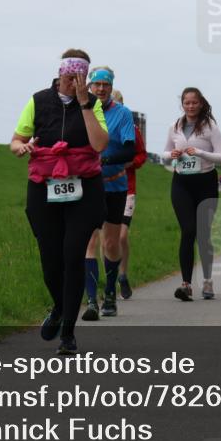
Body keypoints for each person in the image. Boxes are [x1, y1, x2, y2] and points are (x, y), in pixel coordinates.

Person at [12, 49, 109, 355]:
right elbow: (16, 139)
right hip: (45, 185)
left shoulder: (92, 104)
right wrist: (20, 147)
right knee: (50, 258)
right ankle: (58, 307)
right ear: (60, 73)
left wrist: (84, 104)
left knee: (72, 255)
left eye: (79, 78)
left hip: (84, 188)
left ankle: (68, 332)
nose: (73, 82)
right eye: (69, 77)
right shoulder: (38, 100)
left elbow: (99, 144)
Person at [163, 87, 221, 300]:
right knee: (188, 230)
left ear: (200, 104)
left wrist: (200, 152)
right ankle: (186, 284)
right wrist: (171, 154)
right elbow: (163, 155)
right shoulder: (175, 126)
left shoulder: (210, 127)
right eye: (186, 103)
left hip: (206, 183)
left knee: (203, 234)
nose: (190, 106)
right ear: (182, 104)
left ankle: (208, 281)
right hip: (181, 182)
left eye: (194, 102)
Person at [83, 67, 136, 320]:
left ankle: (111, 292)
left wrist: (106, 159)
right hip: (88, 185)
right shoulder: (81, 111)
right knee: (89, 241)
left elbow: (130, 151)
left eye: (105, 84)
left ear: (110, 86)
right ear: (89, 86)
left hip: (115, 184)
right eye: (97, 84)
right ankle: (92, 300)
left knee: (111, 243)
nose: (101, 89)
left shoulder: (123, 113)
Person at [111, 90, 146, 300]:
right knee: (107, 237)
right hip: (103, 187)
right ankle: (110, 277)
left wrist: (131, 162)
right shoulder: (97, 126)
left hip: (126, 188)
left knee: (121, 235)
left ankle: (122, 275)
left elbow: (141, 154)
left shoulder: (131, 129)